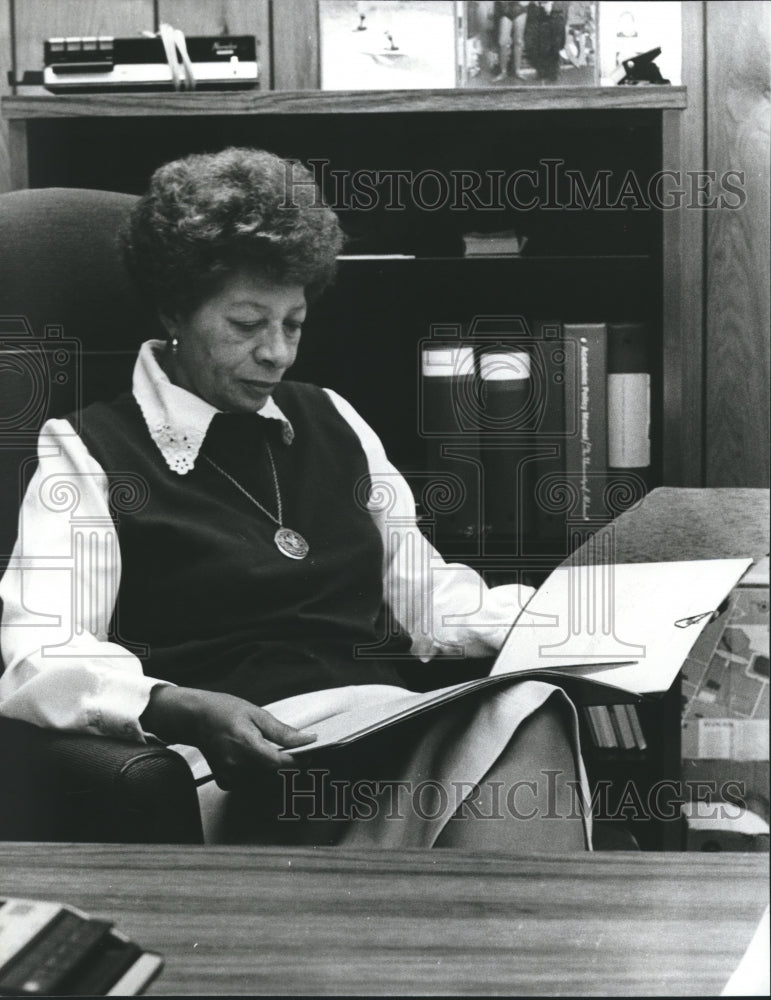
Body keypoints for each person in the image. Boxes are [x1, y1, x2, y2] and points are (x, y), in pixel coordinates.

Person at [0, 148, 588, 850]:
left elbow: (432, 603)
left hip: (374, 728)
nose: (277, 354)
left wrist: (587, 625)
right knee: (518, 731)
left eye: (294, 323)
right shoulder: (85, 448)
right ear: (174, 310)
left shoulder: (332, 418)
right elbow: (37, 651)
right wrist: (178, 706)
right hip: (233, 757)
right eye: (247, 325)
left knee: (525, 710)